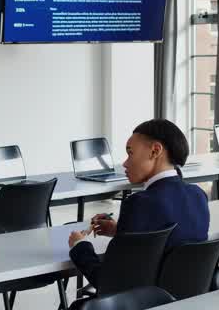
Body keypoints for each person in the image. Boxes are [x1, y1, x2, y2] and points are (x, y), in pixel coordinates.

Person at [67, 119, 209, 283]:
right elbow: (171, 240)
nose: (125, 163)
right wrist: (120, 231)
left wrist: (80, 246)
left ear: (155, 151)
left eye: (130, 153)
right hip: (184, 300)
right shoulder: (198, 195)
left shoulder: (139, 203)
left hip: (146, 304)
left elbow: (109, 283)